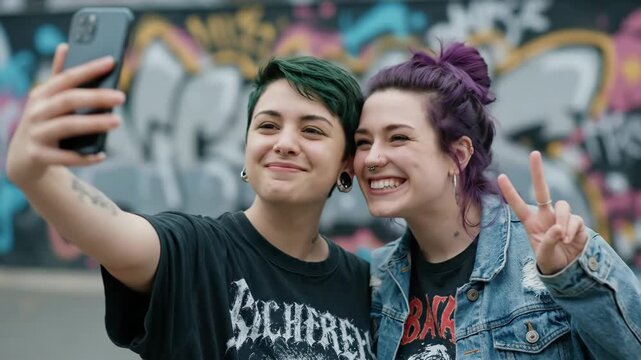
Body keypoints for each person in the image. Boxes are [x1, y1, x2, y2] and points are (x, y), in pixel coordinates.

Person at [6, 44, 376, 359]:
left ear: (346, 162)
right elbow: (113, 229)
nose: (284, 142)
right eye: (267, 126)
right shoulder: (194, 252)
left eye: (311, 130)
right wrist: (38, 174)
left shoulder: (364, 285)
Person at [353, 42, 641, 359]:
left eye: (398, 138)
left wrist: (576, 282)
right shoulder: (375, 280)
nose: (372, 158)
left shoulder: (550, 256)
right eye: (363, 142)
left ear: (458, 154)